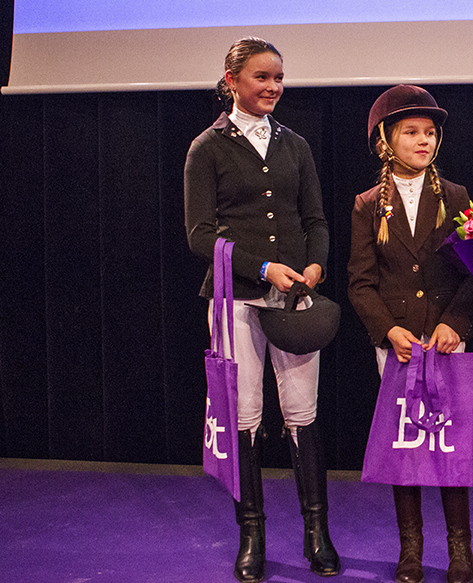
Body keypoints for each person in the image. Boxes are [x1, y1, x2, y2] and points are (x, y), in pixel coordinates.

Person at [184, 37, 338, 582]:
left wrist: (313, 268)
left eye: (278, 77)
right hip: (236, 300)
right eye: (261, 78)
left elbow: (316, 220)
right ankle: (253, 534)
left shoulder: (295, 145)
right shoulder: (208, 148)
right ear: (233, 82)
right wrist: (263, 268)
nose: (272, 86)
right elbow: (200, 236)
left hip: (295, 299)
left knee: (302, 415)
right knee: (245, 419)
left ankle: (317, 532)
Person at [347, 85, 473, 583]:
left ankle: (460, 552)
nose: (423, 141)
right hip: (399, 347)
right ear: (386, 140)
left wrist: (455, 323)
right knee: (406, 451)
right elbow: (360, 282)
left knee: (450, 448)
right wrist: (388, 331)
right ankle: (411, 552)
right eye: (411, 132)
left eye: (430, 133)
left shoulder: (459, 197)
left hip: (446, 339)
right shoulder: (367, 205)